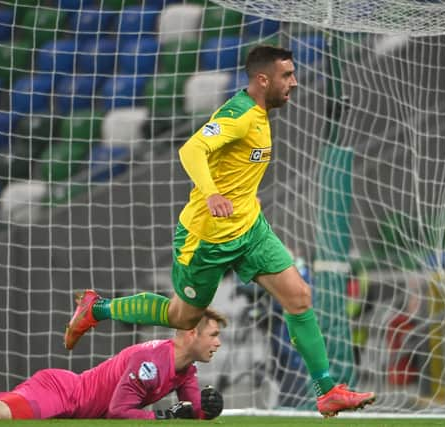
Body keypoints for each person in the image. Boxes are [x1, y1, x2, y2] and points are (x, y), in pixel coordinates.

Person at [64, 45, 375, 417]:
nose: (294, 82)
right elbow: (191, 149)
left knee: (299, 297)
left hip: (250, 229)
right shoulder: (239, 114)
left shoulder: (260, 114)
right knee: (183, 317)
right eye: (287, 75)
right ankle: (97, 308)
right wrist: (211, 194)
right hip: (207, 238)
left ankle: (327, 391)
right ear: (263, 79)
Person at [0, 309, 226, 420]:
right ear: (191, 333)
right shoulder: (150, 362)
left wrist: (207, 408)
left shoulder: (185, 369)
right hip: (63, 394)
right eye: (212, 335)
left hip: (67, 390)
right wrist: (164, 416)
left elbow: (193, 411)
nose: (218, 342)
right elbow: (118, 411)